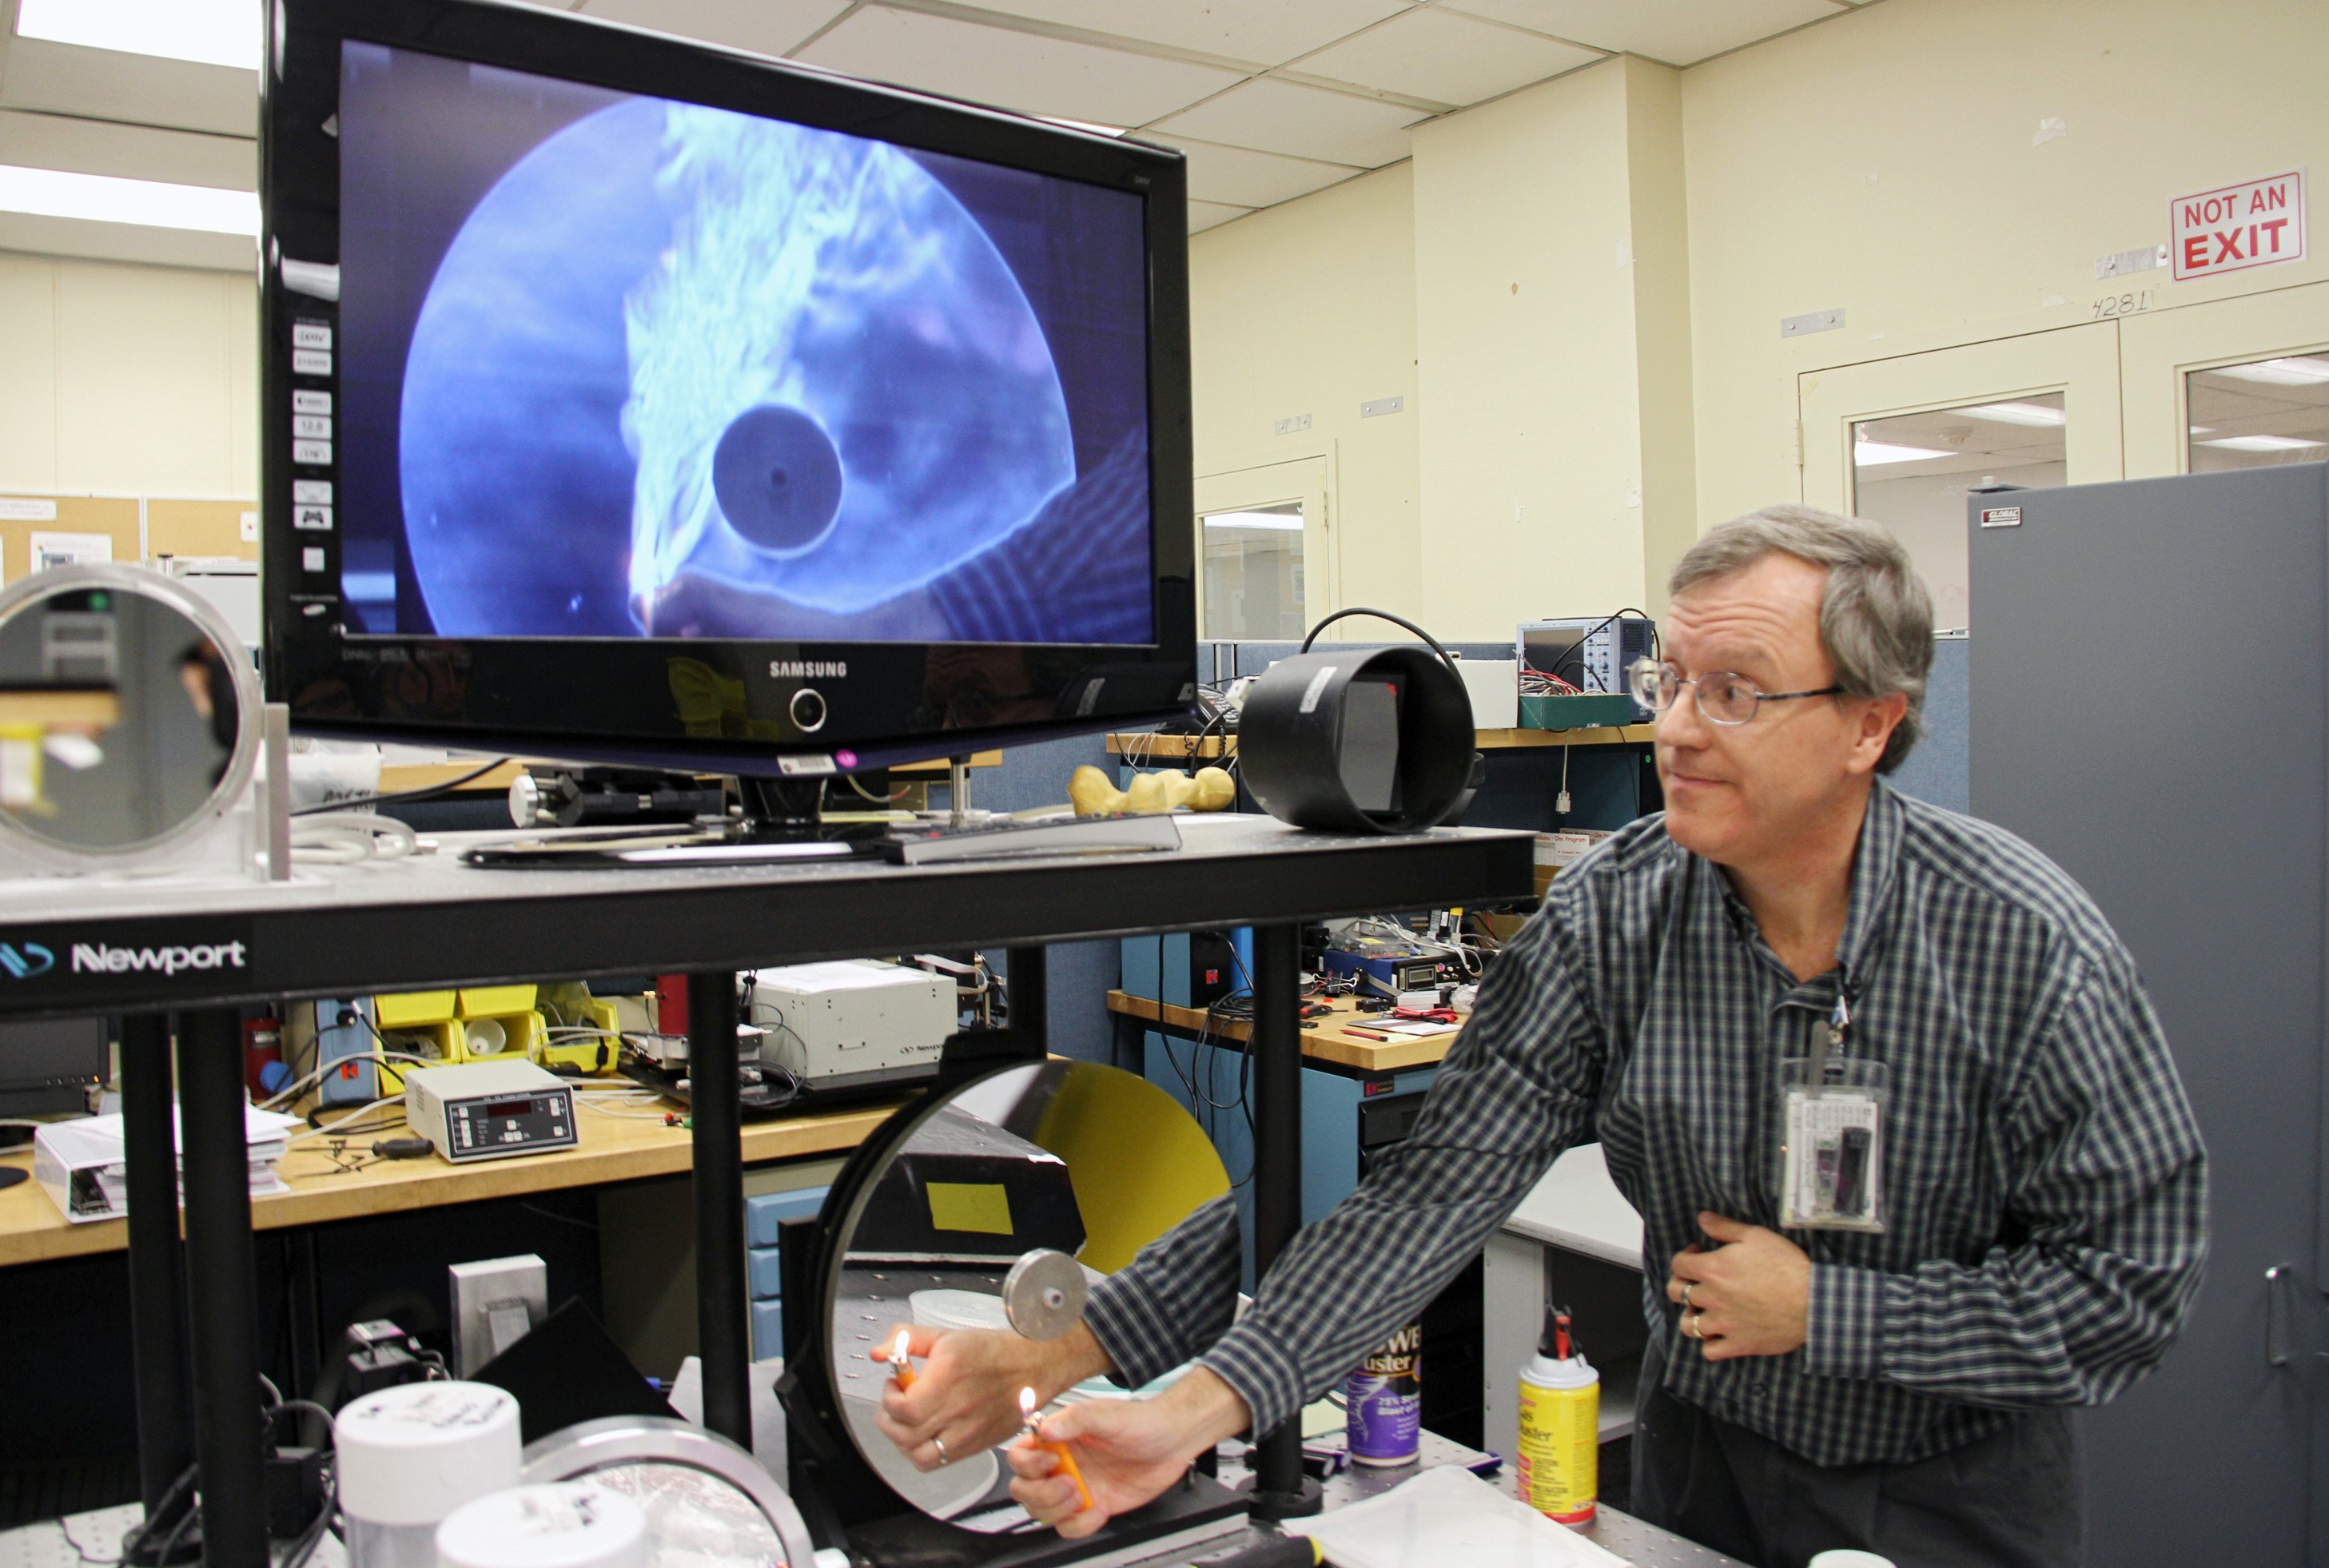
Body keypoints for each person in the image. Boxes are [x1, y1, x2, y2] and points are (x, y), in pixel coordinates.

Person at [875, 507, 2208, 1568]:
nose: (1676, 730)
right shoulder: (1621, 914)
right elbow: (1421, 1192)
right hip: (1705, 1470)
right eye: (1672, 681)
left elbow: (2133, 1284)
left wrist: (1833, 1312)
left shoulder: (2021, 939)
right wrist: (1124, 1371)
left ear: (1871, 723)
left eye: (1734, 693)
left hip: (1952, 1496)